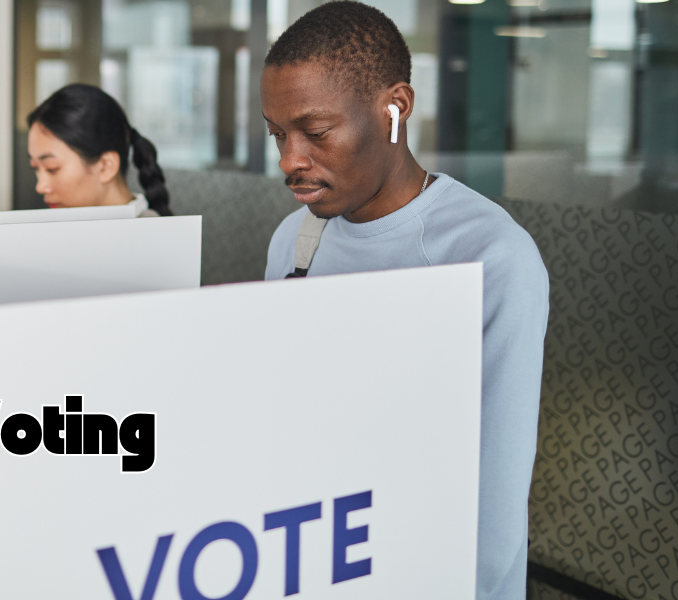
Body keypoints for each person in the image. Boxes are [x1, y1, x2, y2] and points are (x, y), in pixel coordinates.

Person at [261, 3, 549, 599]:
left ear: (397, 107)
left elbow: (491, 513)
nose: (290, 160)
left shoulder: (490, 257)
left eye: (315, 133)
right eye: (276, 135)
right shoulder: (296, 240)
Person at [27, 84, 171, 217]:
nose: (40, 187)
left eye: (52, 169)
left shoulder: (154, 238)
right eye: (35, 168)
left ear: (106, 166)